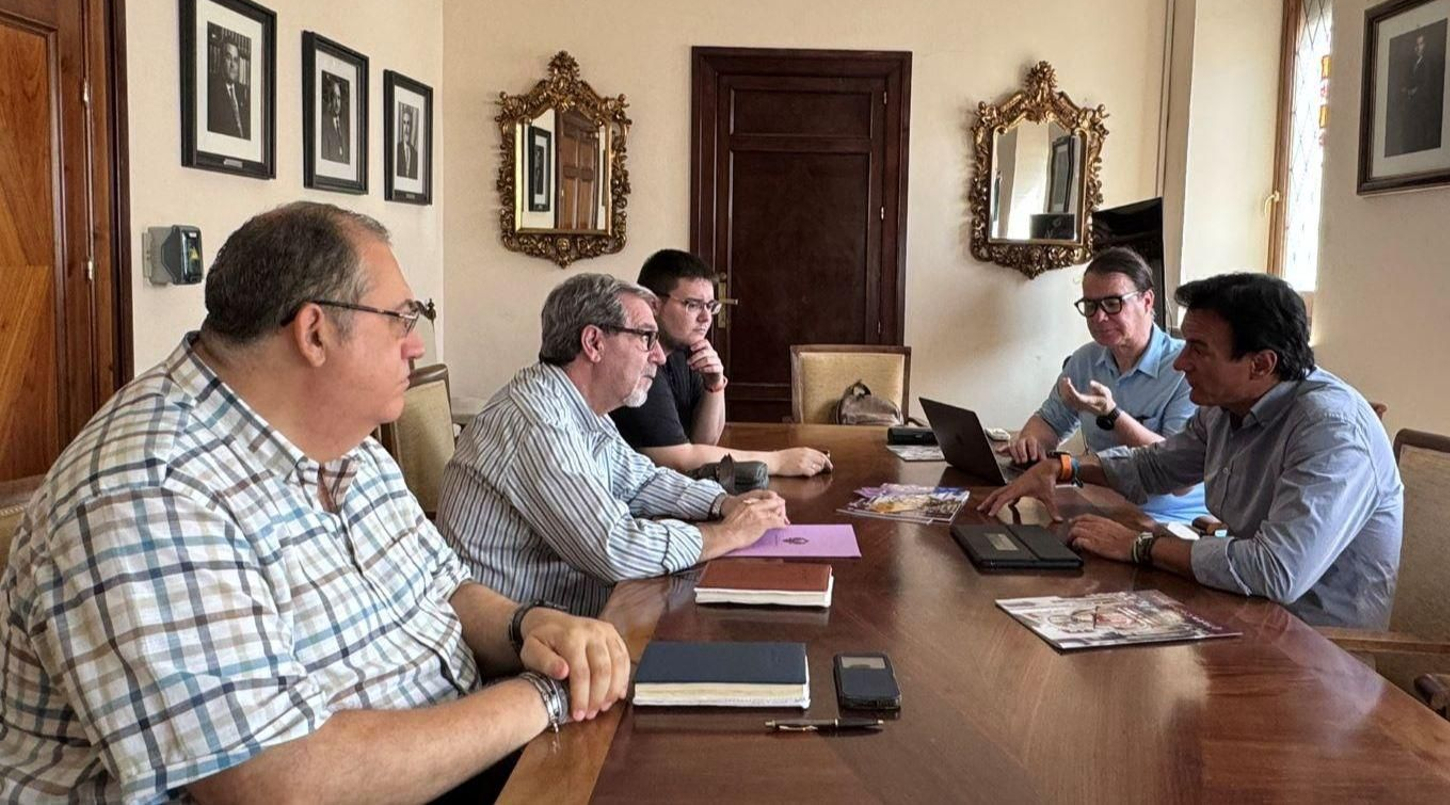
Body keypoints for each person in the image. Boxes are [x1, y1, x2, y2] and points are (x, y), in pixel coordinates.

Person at [0, 202, 630, 803]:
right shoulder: (149, 490)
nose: (415, 344)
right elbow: (279, 779)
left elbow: (446, 592)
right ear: (315, 331)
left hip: (455, 761)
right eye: (402, 319)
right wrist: (544, 694)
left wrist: (531, 626)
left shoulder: (344, 441)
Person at [983, 272, 1402, 630]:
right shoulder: (1226, 407)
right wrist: (1064, 467)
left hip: (1314, 652)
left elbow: (1276, 571)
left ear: (1261, 364)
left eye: (1198, 350)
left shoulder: (1331, 430)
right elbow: (1157, 466)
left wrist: (1140, 546)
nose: (1181, 364)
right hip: (1239, 611)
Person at [436, 273, 792, 618]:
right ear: (593, 343)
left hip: (577, 616)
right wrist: (727, 533)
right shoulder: (537, 424)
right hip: (524, 646)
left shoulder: (581, 406)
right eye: (646, 338)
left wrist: (723, 503)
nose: (660, 357)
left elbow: (641, 481)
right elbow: (616, 548)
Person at [1004, 247, 1207, 526]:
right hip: (1098, 502)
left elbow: (1177, 474)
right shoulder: (1086, 359)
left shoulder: (1186, 367)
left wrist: (1112, 415)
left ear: (1147, 301)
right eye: (1090, 306)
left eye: (1112, 304)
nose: (1098, 317)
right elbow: (1048, 422)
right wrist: (1029, 443)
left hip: (1164, 519)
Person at [611, 249, 831, 477]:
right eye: (693, 305)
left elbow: (704, 442)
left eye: (711, 306)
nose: (706, 318)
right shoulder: (637, 359)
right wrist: (777, 461)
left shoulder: (685, 350)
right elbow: (678, 459)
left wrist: (714, 385)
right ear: (654, 304)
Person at [207, 36, 249, 138]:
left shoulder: (242, 92)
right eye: (229, 58)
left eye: (235, 60)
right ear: (221, 59)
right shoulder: (211, 89)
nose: (233, 65)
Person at [321, 72, 349, 163]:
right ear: (329, 99)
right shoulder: (324, 123)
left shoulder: (343, 126)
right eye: (334, 98)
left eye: (339, 98)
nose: (337, 103)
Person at [397, 105, 419, 179]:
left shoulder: (415, 154)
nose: (406, 128)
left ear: (412, 126)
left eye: (408, 123)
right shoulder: (397, 149)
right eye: (404, 123)